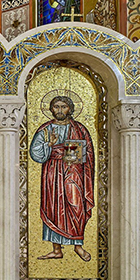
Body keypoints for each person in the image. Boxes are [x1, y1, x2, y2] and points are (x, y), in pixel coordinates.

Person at [29, 95, 94, 261]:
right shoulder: (45, 129)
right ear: (51, 109)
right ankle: (56, 249)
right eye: (56, 106)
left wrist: (68, 152)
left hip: (73, 171)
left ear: (70, 109)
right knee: (53, 207)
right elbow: (35, 153)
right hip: (52, 172)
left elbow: (84, 153)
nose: (59, 110)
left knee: (76, 205)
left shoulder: (79, 128)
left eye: (63, 107)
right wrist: (49, 145)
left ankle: (78, 246)